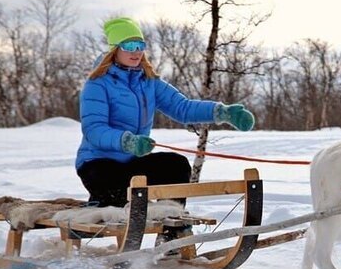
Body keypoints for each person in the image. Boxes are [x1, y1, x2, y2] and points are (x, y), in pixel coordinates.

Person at [75, 16, 255, 208]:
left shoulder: (149, 82)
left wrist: (223, 112)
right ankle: (104, 203)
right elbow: (94, 129)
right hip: (97, 164)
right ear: (114, 49)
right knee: (119, 195)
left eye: (140, 45)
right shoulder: (97, 84)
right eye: (130, 46)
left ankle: (170, 220)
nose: (137, 51)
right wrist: (128, 141)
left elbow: (182, 107)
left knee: (175, 165)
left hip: (132, 163)